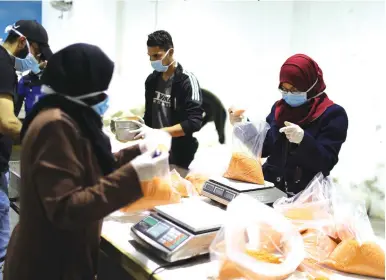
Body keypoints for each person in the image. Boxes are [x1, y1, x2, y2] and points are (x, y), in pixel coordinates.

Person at [3, 43, 170, 280]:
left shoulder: (67, 117)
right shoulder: (54, 125)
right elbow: (66, 209)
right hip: (47, 267)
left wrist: (138, 151)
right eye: (100, 90)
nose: (104, 98)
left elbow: (84, 166)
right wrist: (135, 175)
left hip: (62, 260)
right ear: (80, 86)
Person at [230, 54, 348, 195]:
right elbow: (265, 147)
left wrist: (303, 140)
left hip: (304, 195)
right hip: (270, 186)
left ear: (311, 86)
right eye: (284, 89)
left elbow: (327, 162)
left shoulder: (332, 114)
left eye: (295, 89)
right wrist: (243, 126)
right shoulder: (280, 109)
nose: (288, 95)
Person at [0, 20, 52, 275]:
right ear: (23, 42)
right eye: (35, 52)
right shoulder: (7, 68)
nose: (36, 60)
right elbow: (7, 120)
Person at [133, 30, 204, 176]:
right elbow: (149, 115)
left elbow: (194, 122)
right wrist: (141, 129)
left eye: (156, 56)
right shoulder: (151, 81)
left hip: (179, 155)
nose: (152, 61)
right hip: (155, 151)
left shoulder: (187, 81)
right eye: (150, 56)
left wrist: (159, 133)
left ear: (170, 52)